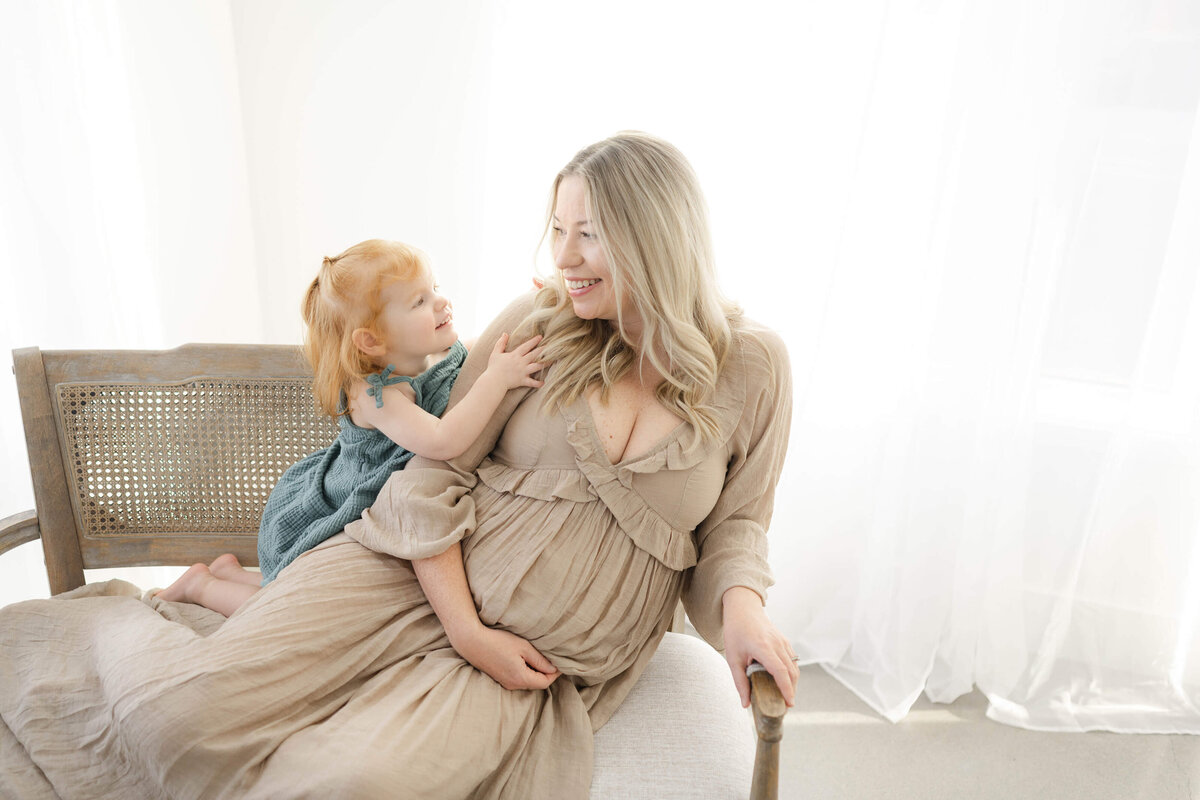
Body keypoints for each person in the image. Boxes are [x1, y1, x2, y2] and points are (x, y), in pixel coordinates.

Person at [0, 132, 796, 799]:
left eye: (587, 234)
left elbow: (734, 525)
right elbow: (435, 474)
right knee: (179, 716)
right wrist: (466, 628)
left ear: (655, 237)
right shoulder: (536, 326)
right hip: (402, 573)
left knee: (347, 783)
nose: (564, 256)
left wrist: (743, 606)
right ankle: (113, 628)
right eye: (557, 230)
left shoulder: (753, 367)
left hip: (529, 658)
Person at [155, 238, 549, 622]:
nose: (441, 302)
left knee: (289, 595)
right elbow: (443, 440)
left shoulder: (434, 351)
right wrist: (497, 380)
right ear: (372, 341)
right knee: (286, 611)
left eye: (435, 289)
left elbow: (483, 353)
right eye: (420, 302)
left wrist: (540, 306)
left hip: (381, 493)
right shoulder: (374, 394)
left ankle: (231, 572)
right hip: (343, 500)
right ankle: (202, 586)